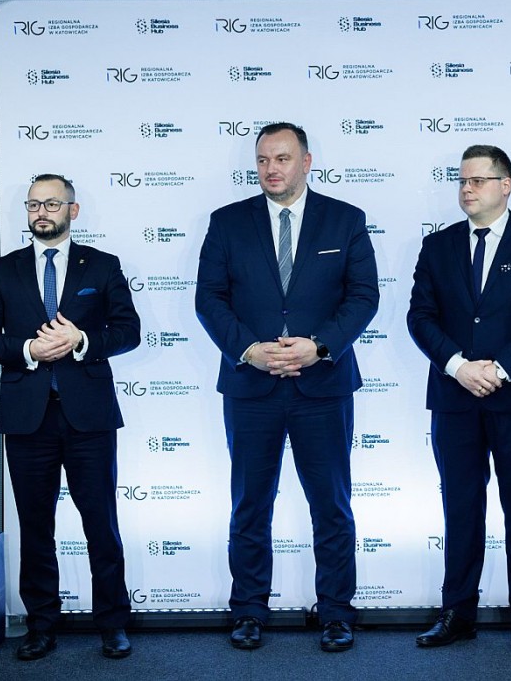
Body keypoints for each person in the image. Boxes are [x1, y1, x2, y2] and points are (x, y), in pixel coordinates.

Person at [195, 122, 379, 652]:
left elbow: (363, 296)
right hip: (251, 386)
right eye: (262, 160)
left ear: (306, 161)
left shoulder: (345, 220)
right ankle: (249, 610)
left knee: (332, 504)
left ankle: (336, 611)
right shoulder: (227, 222)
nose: (271, 169)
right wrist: (249, 350)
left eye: (281, 158)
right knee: (250, 504)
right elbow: (209, 299)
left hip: (323, 385)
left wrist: (319, 346)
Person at [0, 173, 140, 661]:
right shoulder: (2, 270)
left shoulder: (102, 265)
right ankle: (41, 624)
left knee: (101, 524)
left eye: (51, 204)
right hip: (28, 418)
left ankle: (113, 623)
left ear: (72, 211)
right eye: (33, 204)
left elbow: (129, 330)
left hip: (90, 418)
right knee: (36, 526)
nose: (41, 212)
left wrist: (81, 340)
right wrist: (27, 349)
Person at [406, 144, 511, 653]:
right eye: (462, 181)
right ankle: (457, 612)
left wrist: (499, 369)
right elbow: (420, 317)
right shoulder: (437, 246)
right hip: (455, 396)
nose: (467, 189)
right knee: (460, 506)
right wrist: (459, 366)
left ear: (506, 184)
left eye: (477, 180)